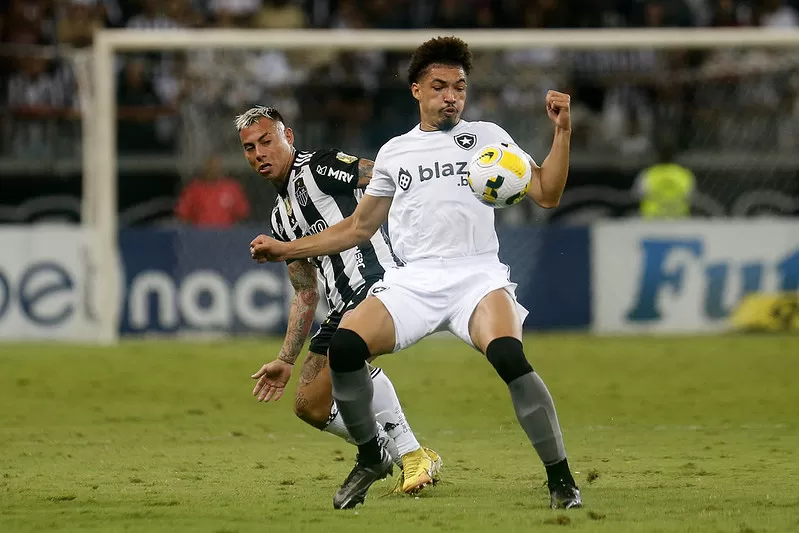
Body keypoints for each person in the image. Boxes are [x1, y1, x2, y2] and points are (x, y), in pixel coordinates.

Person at [249, 37, 582, 511]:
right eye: (440, 86)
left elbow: (547, 192)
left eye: (459, 87)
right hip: (413, 281)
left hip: (477, 276)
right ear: (416, 91)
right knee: (345, 345)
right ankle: (370, 456)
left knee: (509, 357)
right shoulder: (395, 153)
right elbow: (359, 227)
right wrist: (287, 250)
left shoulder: (488, 137)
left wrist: (563, 132)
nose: (451, 96)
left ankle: (561, 479)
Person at [235, 105, 441, 497]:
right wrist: (284, 359)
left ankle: (411, 455)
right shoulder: (281, 218)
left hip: (381, 282)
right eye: (249, 148)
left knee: (350, 359)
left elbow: (384, 176)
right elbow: (306, 292)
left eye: (266, 141)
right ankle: (401, 454)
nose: (259, 153)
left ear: (288, 137)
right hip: (344, 303)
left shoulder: (318, 167)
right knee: (309, 403)